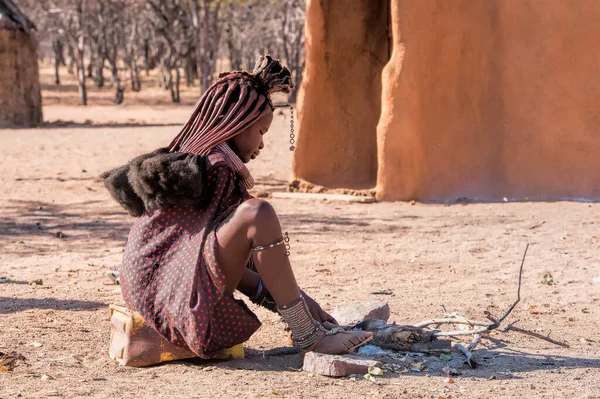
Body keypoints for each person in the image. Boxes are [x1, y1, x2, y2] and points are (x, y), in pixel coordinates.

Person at [101, 55, 372, 359]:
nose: (262, 144)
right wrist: (303, 317)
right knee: (259, 214)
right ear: (237, 123)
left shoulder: (193, 162)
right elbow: (241, 251)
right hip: (167, 297)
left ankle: (307, 327)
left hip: (151, 292)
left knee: (254, 221)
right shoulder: (216, 169)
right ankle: (308, 338)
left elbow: (223, 258)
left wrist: (305, 306)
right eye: (261, 132)